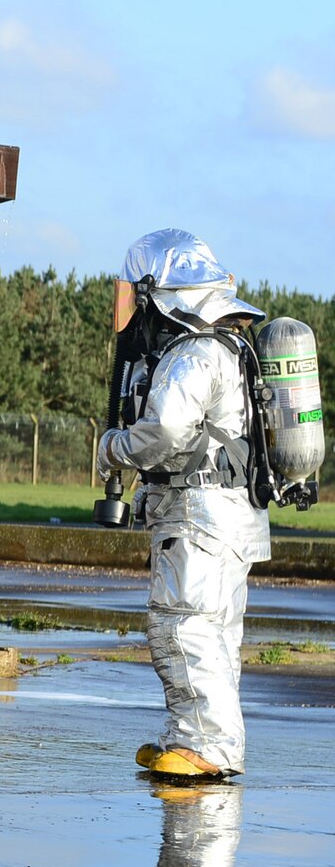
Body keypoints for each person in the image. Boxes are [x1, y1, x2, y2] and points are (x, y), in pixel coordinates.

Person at [96, 229, 268, 781]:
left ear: (160, 292)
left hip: (199, 513)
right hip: (233, 512)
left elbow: (166, 427)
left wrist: (113, 448)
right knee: (215, 634)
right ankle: (193, 738)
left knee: (182, 626)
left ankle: (208, 747)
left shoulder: (192, 352)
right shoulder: (234, 346)